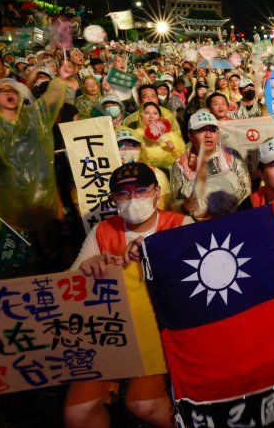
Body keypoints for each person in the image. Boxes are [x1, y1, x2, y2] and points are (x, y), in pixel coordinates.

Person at [65, 163, 190, 428]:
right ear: (113, 199)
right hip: (113, 334)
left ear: (157, 192)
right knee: (77, 414)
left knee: (143, 404)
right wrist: (88, 269)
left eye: (141, 190)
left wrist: (154, 254)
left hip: (163, 335)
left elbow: (195, 281)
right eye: (123, 194)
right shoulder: (101, 231)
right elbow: (68, 288)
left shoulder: (180, 223)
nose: (133, 199)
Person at [0, 47, 73, 260]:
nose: (9, 92)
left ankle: (53, 239)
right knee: (26, 216)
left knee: (41, 209)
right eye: (2, 92)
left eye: (13, 91)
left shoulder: (32, 116)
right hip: (8, 181)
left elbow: (49, 104)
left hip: (37, 175)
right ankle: (37, 247)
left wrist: (61, 79)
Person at [169, 110, 250, 219]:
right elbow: (177, 201)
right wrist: (187, 207)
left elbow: (246, 189)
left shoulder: (231, 155)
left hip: (235, 217)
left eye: (212, 130)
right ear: (190, 136)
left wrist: (226, 210)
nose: (208, 135)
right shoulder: (180, 164)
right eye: (201, 130)